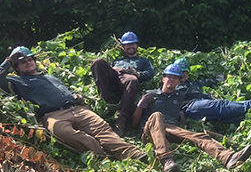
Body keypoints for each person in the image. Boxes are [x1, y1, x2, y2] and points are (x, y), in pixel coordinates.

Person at [0, 47, 147, 161]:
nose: (28, 62)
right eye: (22, 61)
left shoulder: (49, 76)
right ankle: (102, 154)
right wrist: (8, 60)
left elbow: (64, 89)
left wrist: (74, 95)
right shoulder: (16, 81)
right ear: (16, 67)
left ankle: (132, 153)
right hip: (52, 115)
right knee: (66, 133)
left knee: (102, 128)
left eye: (30, 59)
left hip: (76, 108)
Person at [132, 63, 251, 172]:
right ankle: (166, 160)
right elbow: (134, 123)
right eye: (169, 77)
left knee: (200, 137)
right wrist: (140, 106)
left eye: (175, 78)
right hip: (150, 133)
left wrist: (182, 114)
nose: (171, 80)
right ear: (163, 79)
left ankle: (228, 157)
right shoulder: (149, 94)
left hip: (170, 130)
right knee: (157, 116)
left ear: (179, 82)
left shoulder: (180, 96)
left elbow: (197, 99)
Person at [91, 31, 154, 135]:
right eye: (127, 44)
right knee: (98, 62)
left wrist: (137, 74)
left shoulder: (143, 61)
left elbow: (150, 73)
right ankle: (105, 98)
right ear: (122, 47)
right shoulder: (117, 60)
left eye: (132, 44)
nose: (130, 46)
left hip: (128, 77)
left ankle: (121, 119)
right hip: (115, 73)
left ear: (137, 45)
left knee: (132, 80)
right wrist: (114, 69)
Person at [174, 57, 251, 123]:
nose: (184, 75)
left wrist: (217, 80)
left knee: (224, 117)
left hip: (199, 106)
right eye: (182, 72)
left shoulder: (192, 84)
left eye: (186, 72)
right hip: (190, 107)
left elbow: (205, 82)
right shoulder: (173, 87)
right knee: (220, 105)